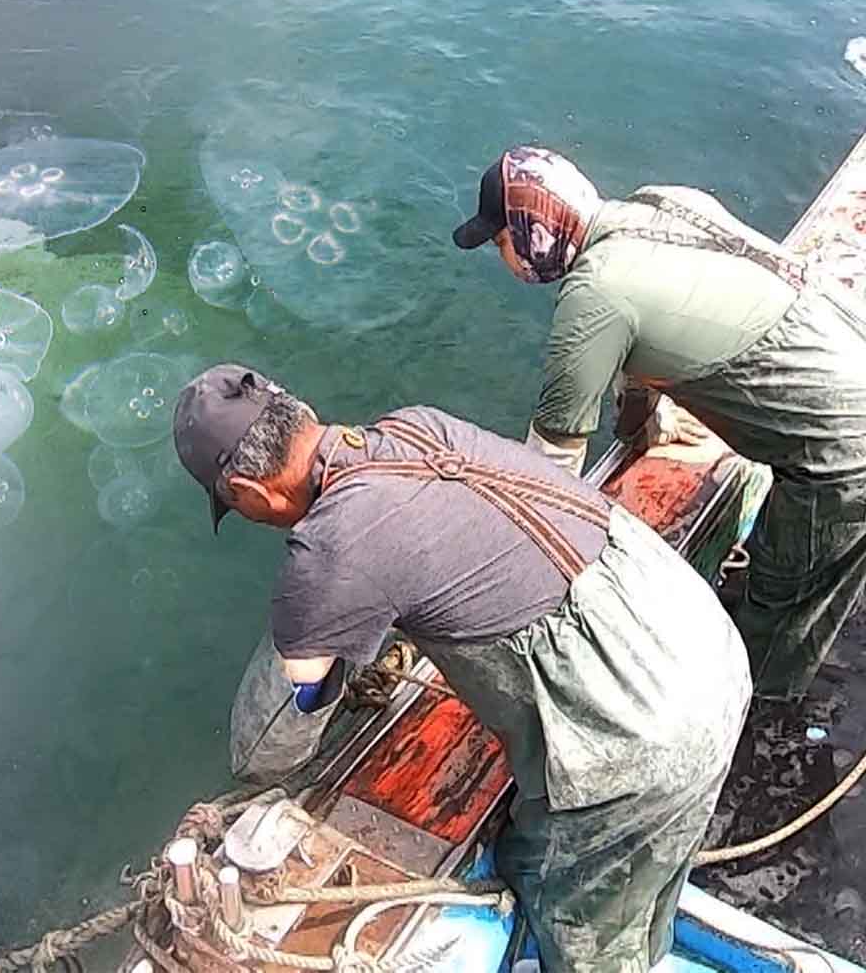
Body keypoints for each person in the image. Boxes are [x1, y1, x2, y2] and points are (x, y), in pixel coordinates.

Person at [173, 363, 748, 972]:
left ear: (248, 493)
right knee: (539, 861)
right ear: (302, 415)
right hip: (702, 639)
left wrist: (314, 639)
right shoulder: (418, 426)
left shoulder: (324, 559)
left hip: (649, 735)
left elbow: (265, 751)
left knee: (581, 929)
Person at [452, 146, 866, 700]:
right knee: (798, 565)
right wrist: (647, 431)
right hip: (848, 354)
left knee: (784, 600)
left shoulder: (592, 297)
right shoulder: (663, 203)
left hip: (844, 447)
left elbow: (549, 474)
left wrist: (502, 590)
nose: (504, 256)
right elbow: (642, 357)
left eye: (502, 240)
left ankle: (754, 716)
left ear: (535, 232)